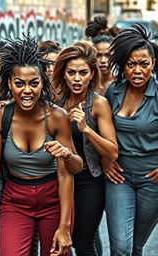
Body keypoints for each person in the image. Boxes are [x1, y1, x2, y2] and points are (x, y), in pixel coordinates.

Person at [0, 36, 83, 256]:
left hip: (54, 199)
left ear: (42, 83)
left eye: (34, 83)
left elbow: (71, 172)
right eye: (19, 83)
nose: (27, 91)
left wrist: (65, 227)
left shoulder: (57, 117)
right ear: (10, 83)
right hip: (15, 200)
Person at [52, 41, 118, 256]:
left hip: (89, 181)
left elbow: (112, 151)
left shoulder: (98, 104)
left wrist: (86, 129)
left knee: (83, 242)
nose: (77, 78)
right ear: (63, 74)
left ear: (92, 73)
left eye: (83, 72)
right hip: (60, 179)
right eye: (71, 72)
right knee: (60, 241)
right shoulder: (57, 102)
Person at [104, 23, 158, 256]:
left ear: (153, 65)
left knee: (135, 247)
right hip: (119, 178)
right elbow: (101, 131)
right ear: (123, 66)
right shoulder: (113, 92)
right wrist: (105, 160)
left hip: (152, 181)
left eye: (144, 64)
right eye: (131, 64)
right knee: (121, 247)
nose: (137, 70)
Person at [85, 15, 120, 95]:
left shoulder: (121, 85)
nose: (103, 60)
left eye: (108, 55)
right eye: (98, 55)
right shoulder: (85, 85)